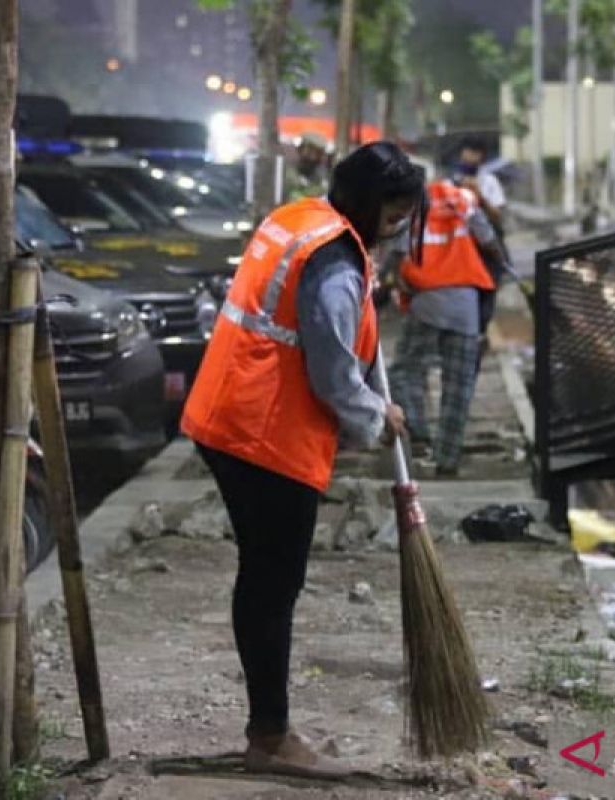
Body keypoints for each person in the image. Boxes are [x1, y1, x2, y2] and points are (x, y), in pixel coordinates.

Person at [181, 142, 422, 779]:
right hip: (263, 434)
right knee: (271, 585)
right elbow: (332, 370)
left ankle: (271, 725)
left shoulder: (303, 220)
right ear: (369, 205)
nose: (398, 227)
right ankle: (270, 736)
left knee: (263, 579)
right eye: (394, 214)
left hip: (228, 414)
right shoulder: (335, 261)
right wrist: (377, 415)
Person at [387, 177, 507, 477]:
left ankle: (418, 430)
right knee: (459, 386)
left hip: (426, 303)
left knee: (404, 371)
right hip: (465, 306)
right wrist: (499, 265)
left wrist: (395, 280)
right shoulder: (463, 202)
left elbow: (396, 254)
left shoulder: (412, 207)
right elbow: (490, 240)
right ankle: (447, 459)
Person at [453, 135, 507, 233]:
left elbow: (497, 216)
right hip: (461, 239)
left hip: (486, 239)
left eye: (475, 154)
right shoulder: (451, 182)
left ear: (482, 157)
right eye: (465, 161)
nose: (469, 161)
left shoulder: (490, 181)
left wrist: (479, 196)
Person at [286, 132, 331, 201]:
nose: (314, 157)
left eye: (318, 153)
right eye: (310, 152)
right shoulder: (289, 172)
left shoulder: (323, 174)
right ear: (300, 149)